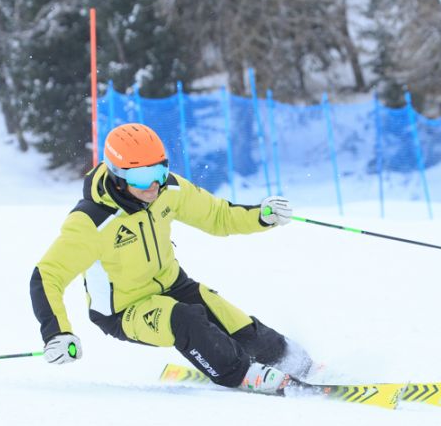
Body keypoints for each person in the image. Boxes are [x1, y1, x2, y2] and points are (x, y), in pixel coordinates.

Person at [30, 123, 316, 395]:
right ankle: (241, 373)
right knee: (184, 319)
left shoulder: (168, 190)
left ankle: (294, 362)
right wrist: (56, 332)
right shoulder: (92, 222)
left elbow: (217, 216)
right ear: (117, 176)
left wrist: (262, 216)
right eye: (141, 177)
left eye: (159, 170)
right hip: (124, 310)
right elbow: (47, 276)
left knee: (227, 316)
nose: (153, 185)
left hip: (173, 284)